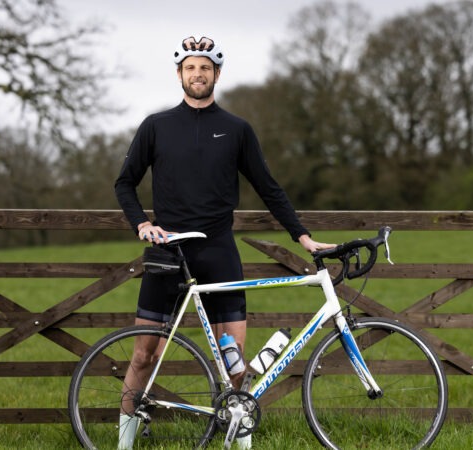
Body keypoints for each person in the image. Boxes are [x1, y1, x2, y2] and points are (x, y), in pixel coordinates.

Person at [114, 35, 334, 449]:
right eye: (190, 68)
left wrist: (301, 235)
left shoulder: (236, 130)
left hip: (218, 249)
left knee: (234, 363)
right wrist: (141, 223)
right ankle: (122, 443)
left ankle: (239, 442)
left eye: (205, 68)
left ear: (217, 73)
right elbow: (124, 183)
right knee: (145, 354)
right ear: (179, 74)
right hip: (168, 250)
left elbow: (269, 188)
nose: (198, 74)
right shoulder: (156, 126)